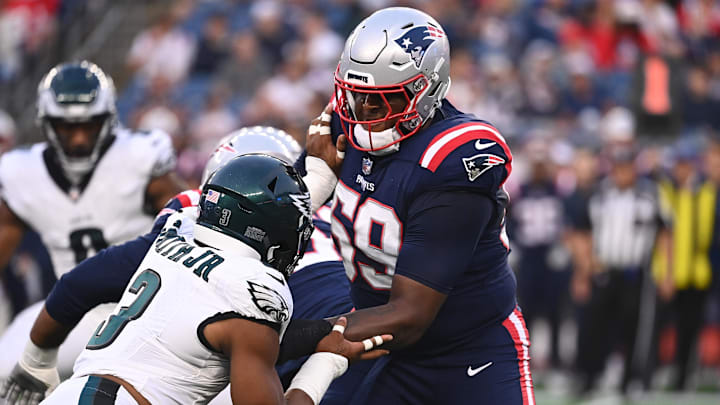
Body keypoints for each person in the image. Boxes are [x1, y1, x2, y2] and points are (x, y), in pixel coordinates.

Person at [0, 127, 367, 405]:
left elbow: (212, 325)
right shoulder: (255, 292)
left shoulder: (176, 232)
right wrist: (325, 365)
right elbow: (245, 332)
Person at [301, 7, 534, 404]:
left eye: (382, 100)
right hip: (378, 342)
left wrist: (293, 339)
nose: (365, 113)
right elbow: (287, 212)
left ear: (427, 89)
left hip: (470, 353)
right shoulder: (347, 121)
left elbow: (410, 315)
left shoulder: (454, 158)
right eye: (356, 97)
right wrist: (316, 179)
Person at [0, 61, 186, 380]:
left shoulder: (140, 156)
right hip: (69, 310)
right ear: (47, 124)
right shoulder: (20, 172)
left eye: (89, 125)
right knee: (6, 371)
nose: (78, 139)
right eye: (66, 127)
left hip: (147, 304)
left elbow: (188, 221)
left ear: (109, 119)